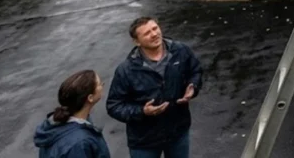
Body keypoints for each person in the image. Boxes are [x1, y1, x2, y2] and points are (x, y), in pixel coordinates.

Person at [106, 16, 203, 158]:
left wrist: (193, 86)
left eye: (155, 28)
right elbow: (114, 105)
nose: (154, 34)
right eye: (147, 33)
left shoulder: (180, 51)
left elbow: (195, 71)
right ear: (137, 42)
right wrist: (142, 111)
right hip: (144, 141)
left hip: (178, 133)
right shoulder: (126, 70)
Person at [34, 69, 111, 158]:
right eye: (100, 84)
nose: (102, 86)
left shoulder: (55, 124)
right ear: (90, 98)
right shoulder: (78, 144)